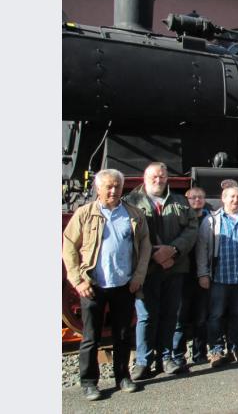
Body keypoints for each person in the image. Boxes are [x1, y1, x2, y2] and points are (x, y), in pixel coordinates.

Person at [62, 169, 151, 400]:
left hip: (124, 284)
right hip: (93, 285)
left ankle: (122, 376)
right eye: (108, 187)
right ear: (98, 189)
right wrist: (77, 280)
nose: (113, 191)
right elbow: (69, 245)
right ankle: (89, 382)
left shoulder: (134, 214)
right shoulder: (84, 213)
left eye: (117, 187)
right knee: (91, 337)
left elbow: (145, 246)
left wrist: (139, 276)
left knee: (122, 334)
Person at [125, 162, 199, 380]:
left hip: (174, 267)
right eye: (154, 177)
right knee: (146, 316)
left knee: (170, 314)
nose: (158, 180)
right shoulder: (131, 201)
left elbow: (192, 228)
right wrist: (155, 255)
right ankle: (143, 361)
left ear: (167, 178)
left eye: (162, 176)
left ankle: (166, 358)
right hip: (145, 269)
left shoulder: (180, 202)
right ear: (144, 178)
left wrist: (173, 250)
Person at [196, 185, 238, 367]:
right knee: (216, 315)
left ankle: (235, 347)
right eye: (231, 197)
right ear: (223, 198)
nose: (235, 200)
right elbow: (202, 248)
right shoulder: (211, 220)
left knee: (237, 315)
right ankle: (215, 351)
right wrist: (203, 273)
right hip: (218, 277)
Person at [172, 187, 211, 369]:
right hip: (183, 274)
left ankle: (199, 354)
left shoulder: (210, 220)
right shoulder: (180, 219)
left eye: (200, 197)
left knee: (201, 318)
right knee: (179, 318)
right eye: (193, 197)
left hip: (202, 274)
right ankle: (177, 356)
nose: (197, 200)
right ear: (186, 199)